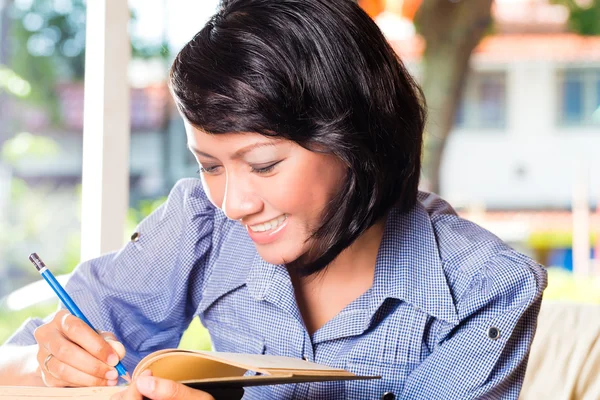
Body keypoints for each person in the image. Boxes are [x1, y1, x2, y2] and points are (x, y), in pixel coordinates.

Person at [0, 0, 547, 399]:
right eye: (210, 165)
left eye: (263, 165)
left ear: (355, 139)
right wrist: (46, 365)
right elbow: (17, 361)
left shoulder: (485, 288)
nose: (234, 203)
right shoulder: (201, 222)